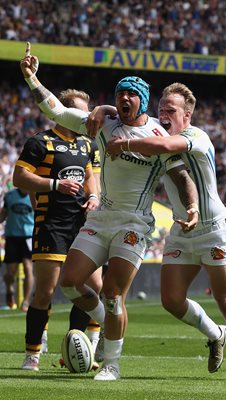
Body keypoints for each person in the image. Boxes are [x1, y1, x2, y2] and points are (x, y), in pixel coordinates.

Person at [20, 45, 199, 381]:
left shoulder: (157, 137)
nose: (124, 99)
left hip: (134, 223)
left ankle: (112, 364)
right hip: (102, 218)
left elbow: (181, 176)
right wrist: (32, 78)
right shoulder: (104, 124)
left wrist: (191, 206)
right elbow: (57, 112)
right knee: (70, 283)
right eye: (120, 94)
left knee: (114, 294)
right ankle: (108, 322)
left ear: (142, 100)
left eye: (131, 94)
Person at [105, 82, 226, 382]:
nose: (163, 114)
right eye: (160, 109)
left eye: (170, 110)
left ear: (186, 115)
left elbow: (163, 147)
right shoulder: (154, 135)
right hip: (181, 230)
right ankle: (216, 335)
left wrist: (123, 144)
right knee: (171, 300)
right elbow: (118, 119)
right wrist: (104, 110)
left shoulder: (195, 136)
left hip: (213, 228)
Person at [13, 86, 103, 372]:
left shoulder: (89, 144)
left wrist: (93, 197)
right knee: (45, 292)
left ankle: (82, 350)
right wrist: (55, 185)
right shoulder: (41, 143)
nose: (83, 117)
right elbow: (19, 178)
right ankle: (33, 355)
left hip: (83, 226)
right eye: (78, 111)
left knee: (93, 287)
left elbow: (92, 178)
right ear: (61, 111)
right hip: (51, 224)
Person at [0, 188, 34, 311]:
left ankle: (26, 301)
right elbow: (4, 214)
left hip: (29, 236)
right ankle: (9, 290)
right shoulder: (9, 196)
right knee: (10, 273)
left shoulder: (34, 195)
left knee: (28, 267)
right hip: (12, 237)